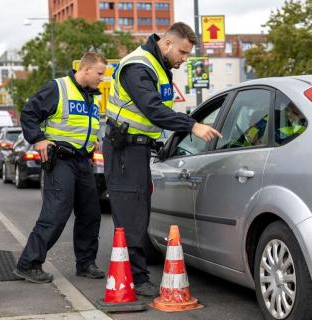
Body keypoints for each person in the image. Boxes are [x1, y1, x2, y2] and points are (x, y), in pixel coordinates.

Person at [103, 22, 222, 297]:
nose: (184, 59)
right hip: (124, 150)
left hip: (139, 148)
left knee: (138, 210)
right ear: (166, 43)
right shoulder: (138, 66)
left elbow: (156, 114)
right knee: (131, 214)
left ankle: (134, 274)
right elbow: (153, 110)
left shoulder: (159, 66)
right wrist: (192, 126)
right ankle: (135, 278)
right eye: (182, 52)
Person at [14, 52, 107, 283]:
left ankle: (85, 263)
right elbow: (29, 113)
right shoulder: (58, 88)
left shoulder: (93, 96)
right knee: (55, 213)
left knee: (90, 214)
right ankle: (29, 263)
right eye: (99, 73)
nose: (101, 79)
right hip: (61, 161)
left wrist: (90, 138)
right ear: (85, 69)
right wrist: (38, 138)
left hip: (83, 161)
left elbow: (83, 124)